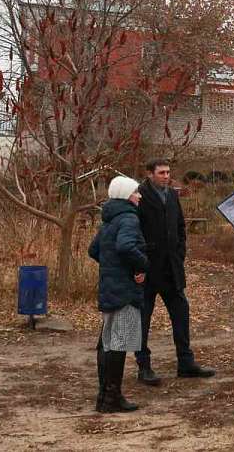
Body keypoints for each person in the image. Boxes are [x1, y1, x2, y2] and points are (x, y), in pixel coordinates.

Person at [135, 159, 215, 385]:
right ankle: (144, 366)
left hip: (172, 268)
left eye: (168, 172)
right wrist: (140, 262)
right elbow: (134, 231)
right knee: (143, 319)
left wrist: (179, 253)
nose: (165, 176)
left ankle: (186, 363)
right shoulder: (139, 196)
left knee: (181, 313)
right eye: (161, 172)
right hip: (148, 269)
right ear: (150, 173)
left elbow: (180, 226)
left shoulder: (171, 195)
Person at [88, 175, 149, 413]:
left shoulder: (109, 219)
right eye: (136, 192)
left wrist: (112, 265)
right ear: (126, 195)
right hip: (125, 291)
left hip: (109, 288)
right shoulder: (129, 218)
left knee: (107, 342)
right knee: (119, 343)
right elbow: (126, 247)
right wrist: (141, 266)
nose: (139, 196)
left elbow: (94, 250)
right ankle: (113, 397)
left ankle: (104, 396)